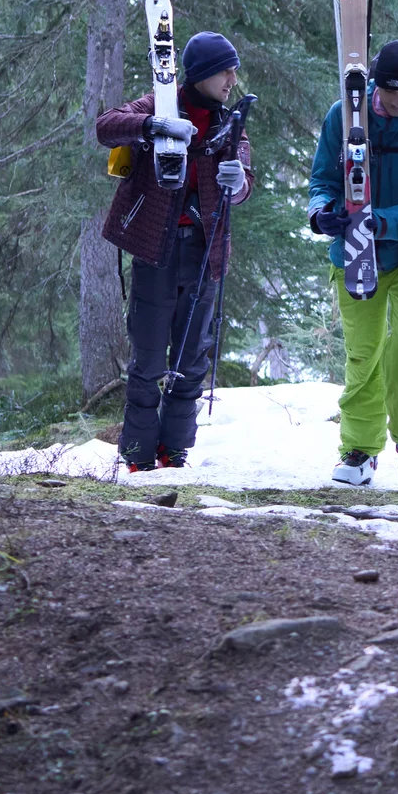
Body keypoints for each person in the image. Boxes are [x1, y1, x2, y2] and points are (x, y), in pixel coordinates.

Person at [95, 31, 254, 472]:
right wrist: (153, 127)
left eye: (233, 69)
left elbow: (245, 178)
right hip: (155, 251)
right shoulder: (159, 105)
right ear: (202, 73)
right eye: (225, 70)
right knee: (147, 357)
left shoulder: (230, 123)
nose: (232, 79)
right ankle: (136, 457)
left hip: (206, 255)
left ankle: (174, 453)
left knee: (191, 359)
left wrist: (237, 182)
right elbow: (106, 125)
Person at [308, 39, 398, 487]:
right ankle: (358, 449)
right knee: (364, 349)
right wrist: (323, 212)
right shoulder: (344, 115)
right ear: (373, 84)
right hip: (354, 252)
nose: (395, 102)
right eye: (389, 94)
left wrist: (380, 222)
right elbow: (322, 179)